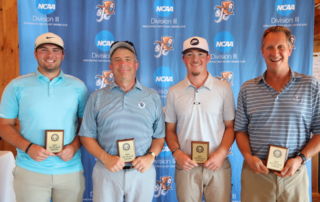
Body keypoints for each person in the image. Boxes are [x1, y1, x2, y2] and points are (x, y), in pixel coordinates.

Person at [235, 25, 320, 202]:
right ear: (262, 51)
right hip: (256, 175)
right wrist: (248, 157)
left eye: (281, 46)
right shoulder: (247, 88)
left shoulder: (310, 85)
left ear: (290, 49)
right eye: (269, 47)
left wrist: (300, 159)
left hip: (294, 174)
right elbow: (240, 130)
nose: (275, 52)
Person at [0, 32, 88, 202]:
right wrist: (28, 147)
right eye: (43, 50)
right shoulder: (17, 86)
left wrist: (74, 146)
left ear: (63, 55)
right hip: (30, 170)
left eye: (55, 50)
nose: (50, 55)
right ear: (35, 54)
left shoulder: (78, 86)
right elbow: (4, 125)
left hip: (70, 171)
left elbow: (87, 126)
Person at [79, 41, 165, 202]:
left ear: (136, 64)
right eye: (117, 60)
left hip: (141, 171)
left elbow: (159, 136)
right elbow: (86, 136)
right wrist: (105, 158)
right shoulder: (96, 97)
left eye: (128, 59)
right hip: (106, 170)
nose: (123, 64)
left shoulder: (152, 96)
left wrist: (151, 156)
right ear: (111, 66)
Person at [165, 36, 235, 202]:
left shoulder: (223, 88)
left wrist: (221, 153)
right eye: (189, 54)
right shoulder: (174, 92)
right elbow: (169, 130)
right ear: (183, 59)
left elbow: (230, 127)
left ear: (208, 58)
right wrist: (176, 153)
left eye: (200, 54)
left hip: (217, 164)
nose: (195, 59)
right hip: (186, 165)